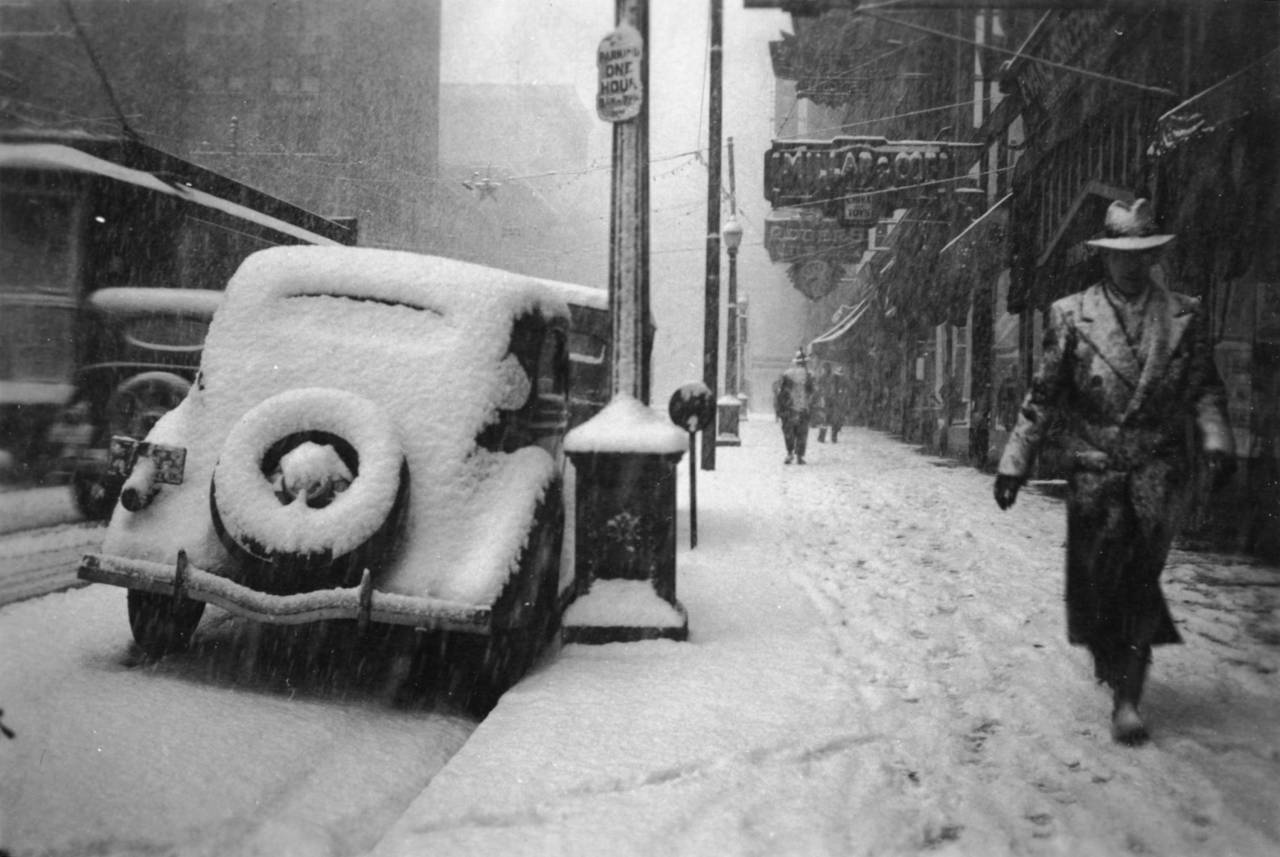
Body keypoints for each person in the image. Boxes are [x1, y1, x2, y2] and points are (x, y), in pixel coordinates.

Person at [993, 198, 1235, 746]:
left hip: (1157, 470)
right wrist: (1014, 464)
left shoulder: (1184, 315)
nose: (1131, 264)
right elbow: (1043, 397)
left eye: (1142, 253)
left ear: (1153, 257)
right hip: (1096, 470)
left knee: (1137, 580)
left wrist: (1217, 443)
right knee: (1101, 585)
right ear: (1104, 258)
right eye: (1121, 254)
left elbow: (1205, 389)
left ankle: (1128, 698)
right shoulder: (1070, 315)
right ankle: (1111, 654)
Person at [775, 349, 815, 464]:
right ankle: (799, 455)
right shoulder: (808, 375)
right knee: (802, 433)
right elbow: (811, 392)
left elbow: (782, 393)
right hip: (803, 408)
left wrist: (780, 409)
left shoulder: (787, 374)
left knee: (789, 432)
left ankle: (790, 452)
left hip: (789, 408)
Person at [815, 363, 834, 443]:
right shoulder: (829, 378)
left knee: (824, 419)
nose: (823, 370)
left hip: (824, 399)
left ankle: (821, 436)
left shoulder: (824, 378)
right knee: (824, 419)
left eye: (824, 369)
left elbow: (818, 387)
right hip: (826, 399)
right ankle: (821, 436)